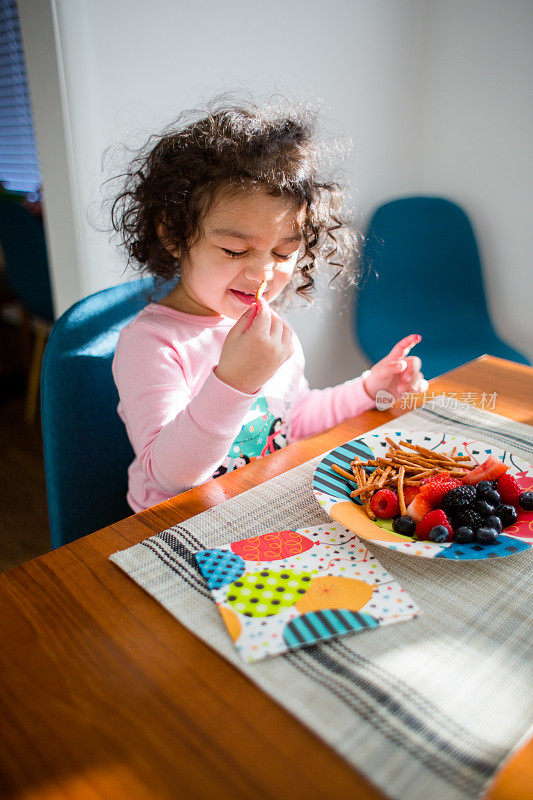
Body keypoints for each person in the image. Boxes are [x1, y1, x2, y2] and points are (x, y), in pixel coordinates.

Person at [110, 98, 427, 513]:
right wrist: (235, 382)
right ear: (173, 234)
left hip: (260, 508)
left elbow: (294, 419)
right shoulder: (152, 344)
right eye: (234, 250)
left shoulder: (271, 332)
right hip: (177, 530)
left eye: (281, 254)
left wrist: (368, 388)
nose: (262, 274)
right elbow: (171, 475)